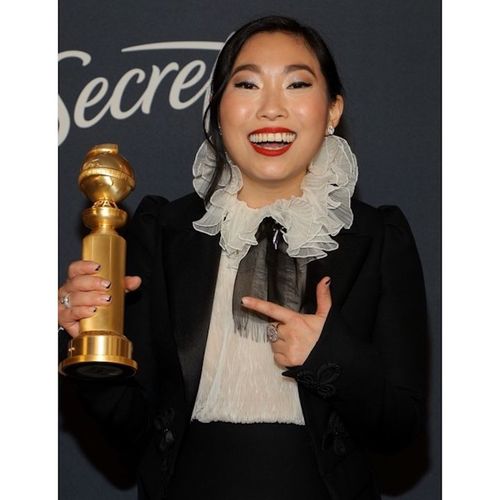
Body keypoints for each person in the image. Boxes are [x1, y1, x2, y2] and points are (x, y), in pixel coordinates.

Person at [58, 15, 427, 500]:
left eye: (297, 84)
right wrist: (87, 346)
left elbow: (401, 428)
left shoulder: (378, 238)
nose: (271, 108)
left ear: (332, 110)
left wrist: (328, 355)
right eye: (248, 84)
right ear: (217, 108)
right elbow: (130, 431)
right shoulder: (162, 232)